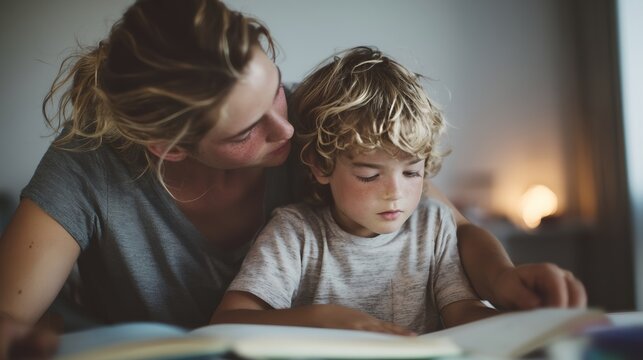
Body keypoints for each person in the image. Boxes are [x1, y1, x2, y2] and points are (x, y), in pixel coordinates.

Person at [0, 0, 585, 357]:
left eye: (277, 86)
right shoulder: (85, 167)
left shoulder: (323, 120)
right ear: (169, 148)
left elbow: (448, 227)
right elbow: (9, 317)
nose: (288, 129)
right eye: (245, 132)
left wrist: (504, 279)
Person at [211, 47, 499, 335]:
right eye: (369, 175)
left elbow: (462, 311)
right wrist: (319, 319)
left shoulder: (434, 226)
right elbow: (228, 321)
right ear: (322, 166)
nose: (394, 192)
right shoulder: (294, 234)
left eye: (412, 172)